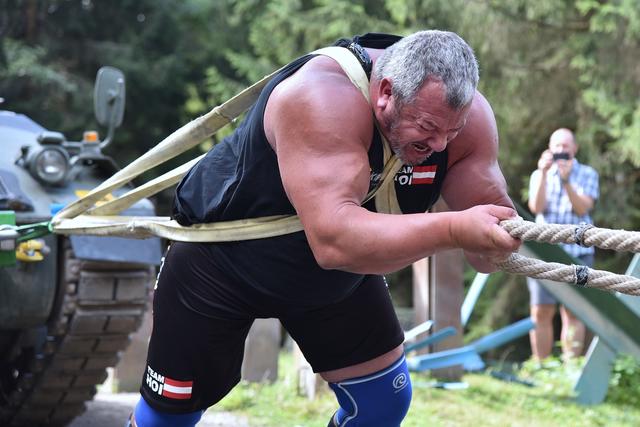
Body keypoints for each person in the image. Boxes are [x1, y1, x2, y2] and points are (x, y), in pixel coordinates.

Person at [128, 30, 521, 427]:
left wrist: (495, 240)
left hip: (333, 277)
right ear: (385, 92)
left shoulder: (463, 119)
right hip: (222, 263)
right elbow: (334, 241)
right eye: (427, 127)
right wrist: (455, 230)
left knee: (382, 405)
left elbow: (487, 244)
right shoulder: (322, 97)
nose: (439, 145)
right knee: (167, 420)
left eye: (451, 132)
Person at [527, 128, 599, 361]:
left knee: (574, 312)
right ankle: (542, 366)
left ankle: (569, 368)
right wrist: (543, 174)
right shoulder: (540, 174)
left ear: (574, 149)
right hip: (545, 251)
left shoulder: (587, 173)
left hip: (579, 253)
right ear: (550, 148)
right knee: (540, 312)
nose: (560, 151)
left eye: (565, 146)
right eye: (556, 146)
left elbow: (582, 209)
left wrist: (567, 181)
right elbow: (536, 208)